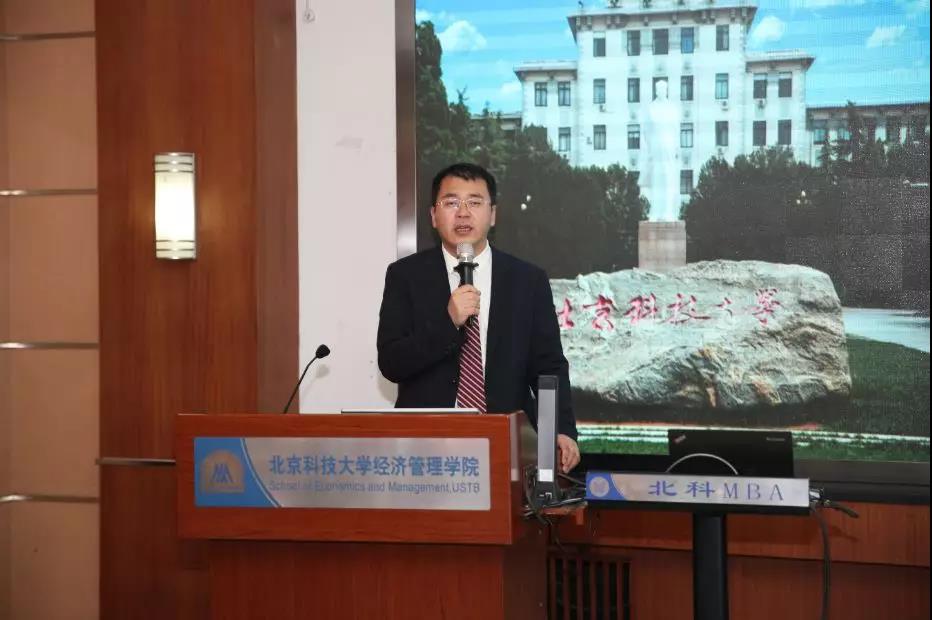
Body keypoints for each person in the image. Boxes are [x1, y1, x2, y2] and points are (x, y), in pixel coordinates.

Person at [377, 163, 580, 473]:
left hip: (507, 444)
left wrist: (561, 429)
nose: (463, 213)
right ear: (433, 215)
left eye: (474, 202)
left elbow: (548, 365)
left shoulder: (526, 280)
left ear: (492, 214)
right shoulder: (405, 276)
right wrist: (447, 323)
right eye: (451, 202)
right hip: (425, 449)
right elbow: (391, 362)